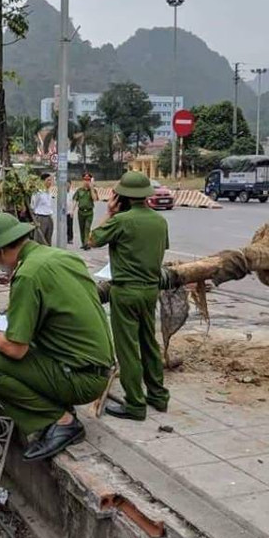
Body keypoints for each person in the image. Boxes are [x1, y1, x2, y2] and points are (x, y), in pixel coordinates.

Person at [0, 213, 114, 461]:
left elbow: (16, 349)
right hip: (97, 368)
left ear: (2, 251)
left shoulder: (27, 275)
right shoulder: (60, 256)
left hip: (81, 379)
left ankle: (61, 420)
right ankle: (58, 404)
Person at [89, 171, 170, 420]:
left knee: (127, 349)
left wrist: (109, 213)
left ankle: (135, 403)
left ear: (121, 196)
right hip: (150, 291)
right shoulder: (159, 221)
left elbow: (92, 240)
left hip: (125, 292)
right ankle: (157, 396)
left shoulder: (121, 221)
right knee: (149, 343)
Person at [73, 173, 99, 250]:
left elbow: (95, 199)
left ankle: (86, 244)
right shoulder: (79, 190)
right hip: (80, 212)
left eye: (88, 180)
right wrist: (72, 210)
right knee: (82, 228)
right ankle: (83, 243)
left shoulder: (93, 190)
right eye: (85, 179)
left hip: (89, 212)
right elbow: (75, 200)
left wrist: (91, 188)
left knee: (87, 228)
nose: (86, 181)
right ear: (82, 180)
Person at [30, 173, 54, 245]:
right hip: (41, 217)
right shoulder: (38, 192)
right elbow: (33, 205)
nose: (50, 182)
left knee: (48, 239)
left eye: (51, 180)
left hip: (49, 217)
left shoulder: (49, 192)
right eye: (48, 180)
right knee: (39, 239)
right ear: (43, 181)